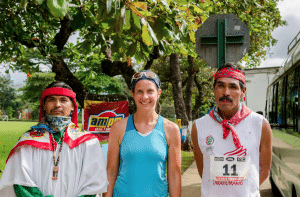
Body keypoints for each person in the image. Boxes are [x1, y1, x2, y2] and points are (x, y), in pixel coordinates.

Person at [0, 82, 108, 197]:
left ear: (73, 106)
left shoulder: (88, 142)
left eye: (63, 100)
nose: (57, 105)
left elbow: (94, 183)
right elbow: (19, 180)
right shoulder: (27, 141)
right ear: (44, 106)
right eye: (51, 100)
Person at [191, 63, 272, 197]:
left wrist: (245, 190)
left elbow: (264, 169)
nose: (226, 92)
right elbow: (203, 171)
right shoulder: (199, 127)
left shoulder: (260, 124)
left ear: (243, 91)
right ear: (213, 89)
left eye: (233, 87)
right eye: (221, 85)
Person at [105, 70, 181, 197]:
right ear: (132, 94)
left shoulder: (171, 129)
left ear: (158, 94)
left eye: (150, 91)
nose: (145, 97)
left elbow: (174, 175)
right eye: (139, 91)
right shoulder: (118, 128)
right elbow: (111, 171)